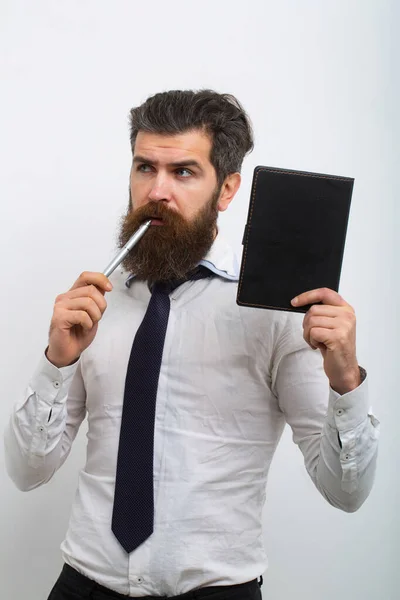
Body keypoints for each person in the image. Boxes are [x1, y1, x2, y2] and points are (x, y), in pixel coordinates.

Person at [4, 90, 379, 600]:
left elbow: (346, 491)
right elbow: (27, 471)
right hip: (84, 585)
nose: (156, 191)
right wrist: (57, 362)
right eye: (144, 168)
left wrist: (345, 380)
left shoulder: (279, 312)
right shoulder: (96, 304)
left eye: (183, 172)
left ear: (226, 190)